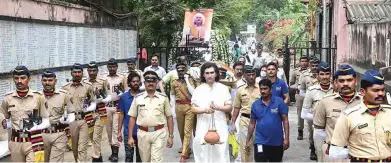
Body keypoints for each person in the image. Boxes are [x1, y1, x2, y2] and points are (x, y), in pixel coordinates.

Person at [329, 69, 391, 162]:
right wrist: (356, 154)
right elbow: (334, 152)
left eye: (382, 90)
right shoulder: (349, 116)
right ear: (363, 92)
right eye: (375, 90)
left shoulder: (389, 113)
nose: (381, 94)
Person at [0, 66, 50, 162]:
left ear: (29, 79)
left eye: (23, 78)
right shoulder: (7, 99)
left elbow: (46, 120)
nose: (19, 81)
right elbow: (5, 121)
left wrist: (35, 127)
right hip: (15, 142)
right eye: (16, 78)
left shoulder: (39, 97)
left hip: (33, 141)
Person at [313, 64, 361, 162]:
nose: (345, 84)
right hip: (333, 156)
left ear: (355, 81)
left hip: (358, 155)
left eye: (349, 80)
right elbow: (319, 132)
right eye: (341, 81)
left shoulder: (364, 102)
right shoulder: (325, 102)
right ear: (335, 82)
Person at [127, 71, 174, 162]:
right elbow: (132, 118)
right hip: (142, 134)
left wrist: (171, 136)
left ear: (156, 83)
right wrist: (130, 137)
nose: (151, 83)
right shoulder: (138, 98)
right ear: (144, 83)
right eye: (148, 81)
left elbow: (169, 117)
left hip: (159, 133)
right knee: (145, 160)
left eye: (153, 81)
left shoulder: (163, 98)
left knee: (156, 160)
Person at [191, 62, 232, 162]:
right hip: (202, 125)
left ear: (216, 74)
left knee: (221, 153)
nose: (209, 75)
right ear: (203, 75)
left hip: (220, 125)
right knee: (203, 153)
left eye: (212, 72)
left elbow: (229, 107)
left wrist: (218, 107)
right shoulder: (198, 90)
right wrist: (205, 110)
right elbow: (193, 109)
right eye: (207, 73)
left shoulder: (223, 88)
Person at [245, 79, 290, 162]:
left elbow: (285, 120)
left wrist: (286, 138)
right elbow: (252, 123)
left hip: (277, 142)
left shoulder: (279, 102)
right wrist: (247, 140)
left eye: (265, 89)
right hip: (260, 141)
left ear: (271, 89)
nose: (263, 91)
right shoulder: (255, 105)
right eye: (261, 89)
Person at [62, 63, 97, 162]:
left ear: (82, 73)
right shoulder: (65, 88)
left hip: (83, 120)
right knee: (75, 148)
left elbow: (93, 102)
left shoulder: (88, 87)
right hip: (71, 122)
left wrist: (88, 110)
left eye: (79, 72)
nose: (77, 74)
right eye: (75, 72)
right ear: (71, 73)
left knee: (82, 147)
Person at [300, 62, 334, 161]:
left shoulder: (336, 90)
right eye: (322, 74)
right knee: (321, 157)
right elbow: (304, 114)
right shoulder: (311, 91)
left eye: (327, 74)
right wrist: (320, 118)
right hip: (319, 130)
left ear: (330, 75)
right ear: (317, 76)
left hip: (335, 130)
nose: (325, 77)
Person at [40, 70, 75, 162]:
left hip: (59, 134)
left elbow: (71, 115)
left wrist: (66, 120)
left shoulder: (64, 95)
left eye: (50, 80)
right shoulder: (37, 97)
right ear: (41, 81)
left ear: (55, 81)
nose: (47, 83)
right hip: (41, 135)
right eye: (45, 80)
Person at [170, 63, 198, 162]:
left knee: (187, 131)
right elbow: (172, 97)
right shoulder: (174, 82)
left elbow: (194, 93)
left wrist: (187, 80)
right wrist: (172, 110)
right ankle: (186, 147)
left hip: (189, 106)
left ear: (186, 70)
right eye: (179, 70)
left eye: (182, 69)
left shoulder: (191, 80)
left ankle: (184, 154)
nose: (180, 71)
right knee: (181, 130)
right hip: (178, 107)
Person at [231, 65, 259, 162]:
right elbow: (236, 108)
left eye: (253, 74)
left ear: (255, 75)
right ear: (244, 76)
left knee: (259, 146)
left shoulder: (262, 88)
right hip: (245, 120)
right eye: (248, 75)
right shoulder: (240, 90)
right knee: (245, 146)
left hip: (259, 121)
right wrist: (233, 122)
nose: (251, 77)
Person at [101, 58, 127, 162]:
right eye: (110, 66)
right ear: (108, 67)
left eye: (114, 66)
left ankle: (115, 153)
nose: (112, 68)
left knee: (116, 129)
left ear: (116, 67)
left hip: (117, 106)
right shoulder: (103, 78)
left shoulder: (122, 77)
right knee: (109, 130)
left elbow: (125, 92)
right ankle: (112, 151)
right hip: (106, 107)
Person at [83, 61, 109, 162]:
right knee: (91, 135)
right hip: (88, 113)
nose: (92, 72)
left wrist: (101, 97)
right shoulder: (84, 82)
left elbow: (107, 96)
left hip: (100, 112)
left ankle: (96, 158)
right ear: (87, 71)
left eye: (94, 70)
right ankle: (99, 154)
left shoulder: (103, 81)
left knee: (96, 135)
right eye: (90, 70)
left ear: (97, 71)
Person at [117, 72, 142, 162]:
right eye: (133, 81)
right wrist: (119, 131)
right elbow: (121, 114)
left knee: (141, 158)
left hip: (142, 132)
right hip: (128, 132)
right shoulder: (124, 97)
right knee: (128, 157)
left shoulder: (143, 96)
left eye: (137, 81)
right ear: (129, 83)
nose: (135, 83)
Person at [289, 56, 309, 140]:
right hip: (300, 95)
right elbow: (291, 84)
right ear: (300, 62)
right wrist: (297, 87)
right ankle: (300, 131)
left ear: (308, 62)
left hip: (310, 95)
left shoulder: (310, 72)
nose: (304, 63)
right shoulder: (295, 72)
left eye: (305, 61)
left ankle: (311, 131)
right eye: (302, 61)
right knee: (300, 113)